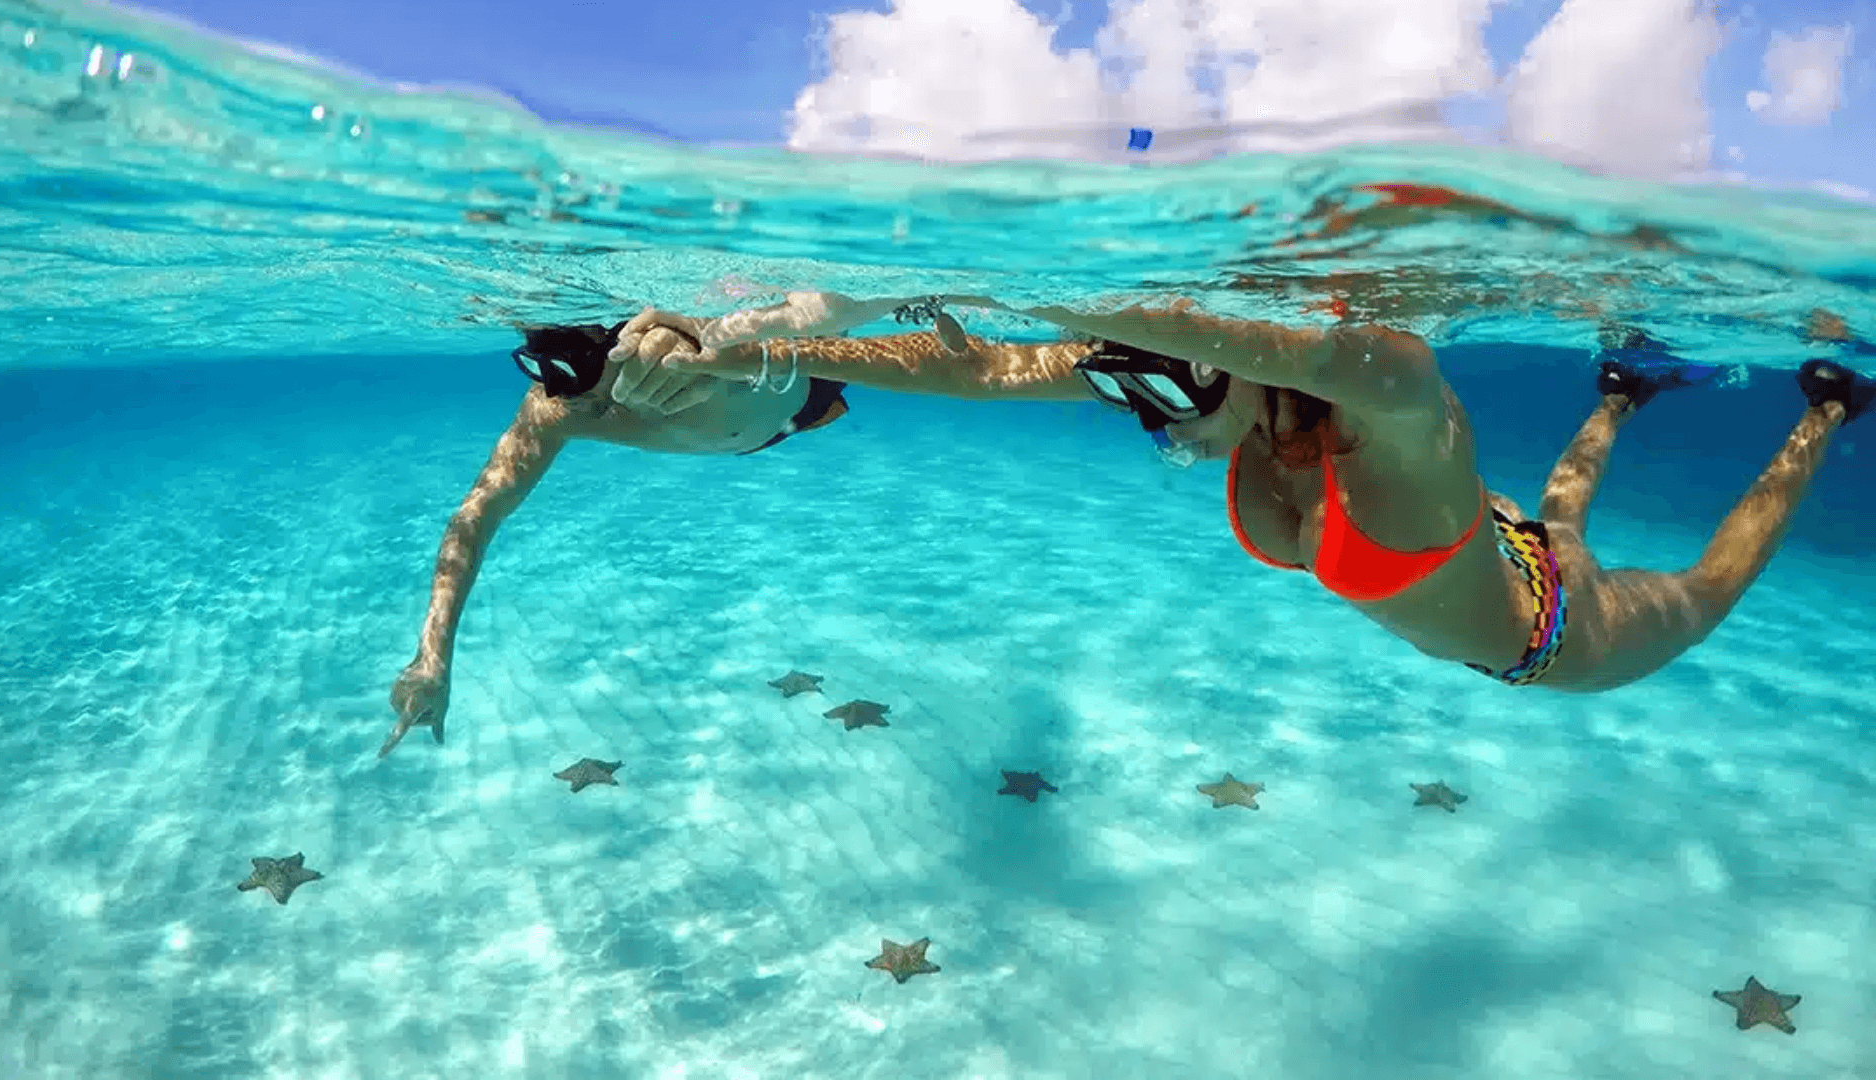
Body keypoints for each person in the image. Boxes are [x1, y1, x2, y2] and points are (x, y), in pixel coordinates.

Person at [617, 291, 1873, 693]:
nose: (1153, 424)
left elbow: (1373, 360)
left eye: (1168, 396)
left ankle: (1826, 408)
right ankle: (1624, 390)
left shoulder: (1396, 426)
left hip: (1560, 637)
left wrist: (1098, 299)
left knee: (1702, 589)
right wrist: (762, 351)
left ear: (1250, 368)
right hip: (1491, 549)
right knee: (1560, 509)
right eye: (1139, 398)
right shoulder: (1204, 391)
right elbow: (982, 366)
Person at [379, 319, 867, 757]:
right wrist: (432, 659)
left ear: (628, 344)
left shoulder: (700, 354)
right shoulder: (561, 407)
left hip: (806, 391)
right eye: (543, 365)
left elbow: (763, 325)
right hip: (761, 422)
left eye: (576, 363)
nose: (558, 386)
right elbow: (477, 514)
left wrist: (700, 348)